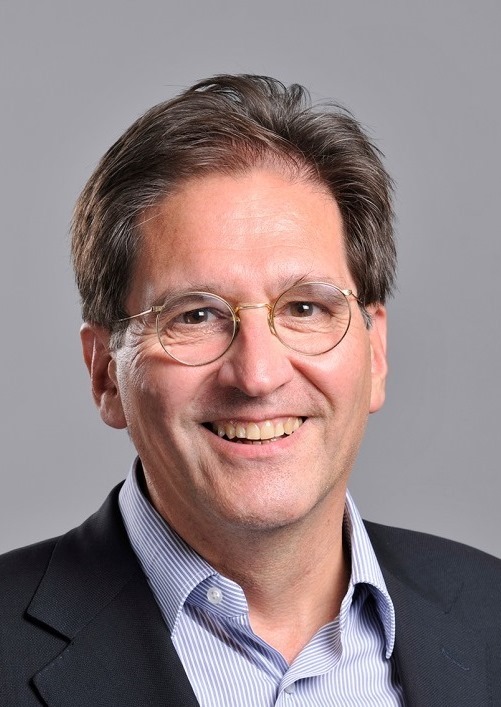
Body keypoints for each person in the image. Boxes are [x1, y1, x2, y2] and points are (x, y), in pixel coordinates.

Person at [1, 74, 500, 707]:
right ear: (105, 374)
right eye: (195, 316)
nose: (258, 376)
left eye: (305, 308)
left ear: (374, 352)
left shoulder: (490, 615)